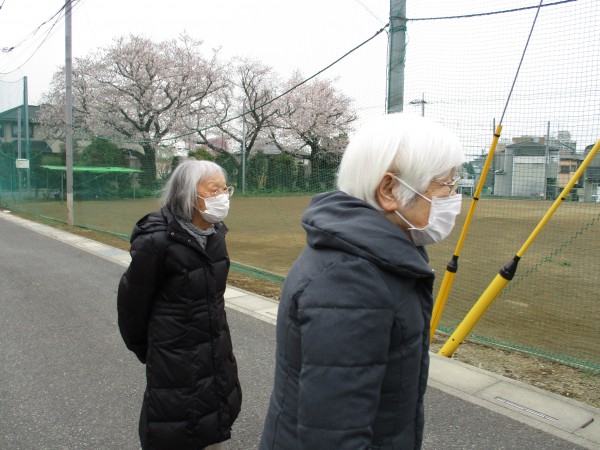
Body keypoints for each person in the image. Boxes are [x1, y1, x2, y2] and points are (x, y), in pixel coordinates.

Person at [259, 113, 464, 450]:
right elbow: (333, 435)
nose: (453, 197)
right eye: (445, 185)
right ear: (389, 189)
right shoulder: (351, 281)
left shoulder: (373, 256)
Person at [117, 159, 242, 450]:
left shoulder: (215, 235)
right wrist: (154, 350)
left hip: (215, 350)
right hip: (173, 357)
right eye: (213, 190)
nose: (223, 197)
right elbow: (132, 307)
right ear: (188, 193)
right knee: (174, 426)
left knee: (213, 421)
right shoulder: (156, 241)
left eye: (225, 189)